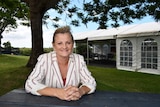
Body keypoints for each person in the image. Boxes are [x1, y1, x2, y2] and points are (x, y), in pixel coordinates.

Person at [25, 26, 96, 101]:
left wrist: (80, 91)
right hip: (48, 103)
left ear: (72, 44)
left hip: (72, 103)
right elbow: (30, 84)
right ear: (54, 45)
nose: (64, 47)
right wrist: (57, 92)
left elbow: (91, 82)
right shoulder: (44, 59)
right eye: (59, 43)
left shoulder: (79, 59)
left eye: (68, 43)